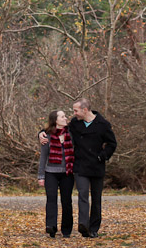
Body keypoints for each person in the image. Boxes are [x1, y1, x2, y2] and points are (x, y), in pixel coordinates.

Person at [40, 98, 117, 238]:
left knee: (96, 198)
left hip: (97, 166)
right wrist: (41, 133)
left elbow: (112, 144)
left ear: (85, 110)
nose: (73, 114)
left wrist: (103, 156)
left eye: (76, 110)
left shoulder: (103, 124)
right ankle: (83, 224)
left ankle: (93, 228)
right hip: (80, 166)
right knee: (82, 195)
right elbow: (55, 128)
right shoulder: (75, 124)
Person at [38, 110, 75, 238]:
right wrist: (41, 176)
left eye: (65, 116)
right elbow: (43, 157)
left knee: (66, 201)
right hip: (50, 172)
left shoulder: (71, 133)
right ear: (55, 120)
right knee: (51, 199)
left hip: (67, 172)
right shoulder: (46, 136)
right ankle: (51, 226)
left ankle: (66, 229)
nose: (65, 118)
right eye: (63, 116)